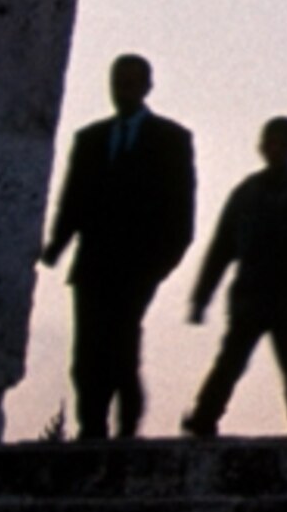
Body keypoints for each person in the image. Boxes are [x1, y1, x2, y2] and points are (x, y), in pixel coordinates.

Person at [40, 53, 197, 440]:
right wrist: (55, 246)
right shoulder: (91, 139)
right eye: (117, 82)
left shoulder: (171, 140)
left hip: (138, 265)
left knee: (120, 346)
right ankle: (92, 428)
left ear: (146, 87)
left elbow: (180, 210)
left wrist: (160, 263)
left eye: (130, 82)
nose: (122, 90)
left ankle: (126, 429)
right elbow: (73, 200)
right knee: (86, 353)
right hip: (93, 262)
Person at [181, 117, 287, 438]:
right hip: (250, 296)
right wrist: (201, 298)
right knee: (230, 361)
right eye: (271, 142)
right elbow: (221, 248)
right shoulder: (246, 194)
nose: (275, 149)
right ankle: (204, 418)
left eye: (282, 143)